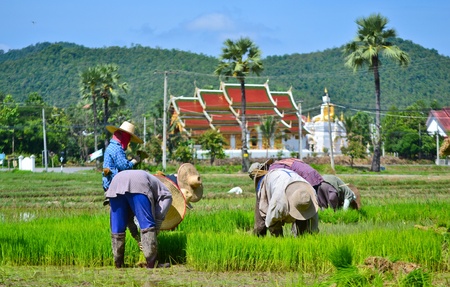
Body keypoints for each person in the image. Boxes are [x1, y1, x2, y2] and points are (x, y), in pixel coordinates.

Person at [106, 169, 173, 269]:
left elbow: (128, 218)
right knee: (147, 225)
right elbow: (167, 197)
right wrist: (157, 224)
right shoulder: (159, 185)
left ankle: (118, 264)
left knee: (117, 228)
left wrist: (137, 237)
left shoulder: (149, 178)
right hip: (138, 184)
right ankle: (152, 264)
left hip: (115, 183)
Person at [249, 162, 319, 237]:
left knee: (302, 229)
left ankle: (300, 239)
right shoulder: (280, 202)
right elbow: (271, 221)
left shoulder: (309, 196)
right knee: (267, 224)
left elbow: (313, 223)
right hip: (275, 183)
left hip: (288, 180)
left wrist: (311, 234)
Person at [268, 158, 338, 210]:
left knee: (314, 195)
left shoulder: (275, 166)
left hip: (306, 176)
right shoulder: (291, 160)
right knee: (318, 192)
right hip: (312, 173)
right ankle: (322, 209)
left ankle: (318, 209)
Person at [102, 121, 143, 191]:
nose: (128, 141)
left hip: (110, 182)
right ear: (124, 137)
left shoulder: (112, 146)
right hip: (114, 184)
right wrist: (134, 161)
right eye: (128, 138)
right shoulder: (117, 148)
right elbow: (124, 167)